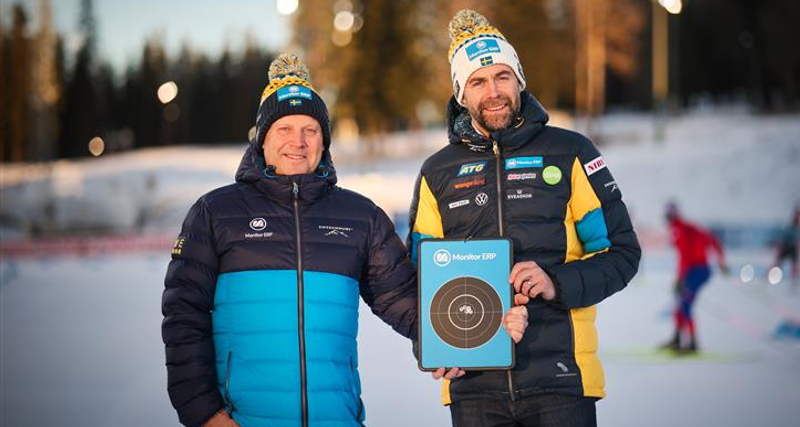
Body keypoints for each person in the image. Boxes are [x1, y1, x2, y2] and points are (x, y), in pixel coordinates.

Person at [161, 53, 529, 427]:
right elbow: (183, 317)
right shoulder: (216, 212)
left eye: (310, 130)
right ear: (262, 140)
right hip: (243, 419)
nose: (298, 142)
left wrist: (468, 334)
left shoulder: (359, 216)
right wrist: (205, 413)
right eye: (284, 129)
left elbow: (402, 298)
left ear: (324, 141)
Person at [407, 10, 641, 427]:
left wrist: (557, 282)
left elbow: (621, 252)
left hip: (561, 384)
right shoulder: (436, 173)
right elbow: (418, 278)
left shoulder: (571, 152)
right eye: (478, 82)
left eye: (502, 77)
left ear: (519, 80)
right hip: (473, 386)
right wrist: (432, 345)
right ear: (461, 93)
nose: (493, 91)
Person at [661, 202, 727, 353]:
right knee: (681, 303)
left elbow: (684, 256)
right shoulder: (688, 227)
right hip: (698, 271)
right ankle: (677, 338)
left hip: (696, 271)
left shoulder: (680, 229)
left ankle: (692, 344)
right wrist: (721, 261)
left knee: (685, 305)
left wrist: (680, 278)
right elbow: (713, 240)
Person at [772, 206, 799, 287]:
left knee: (794, 266)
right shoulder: (791, 227)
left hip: (793, 248)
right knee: (778, 264)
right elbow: (784, 237)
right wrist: (781, 247)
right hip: (786, 247)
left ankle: (794, 282)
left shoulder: (797, 227)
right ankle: (770, 278)